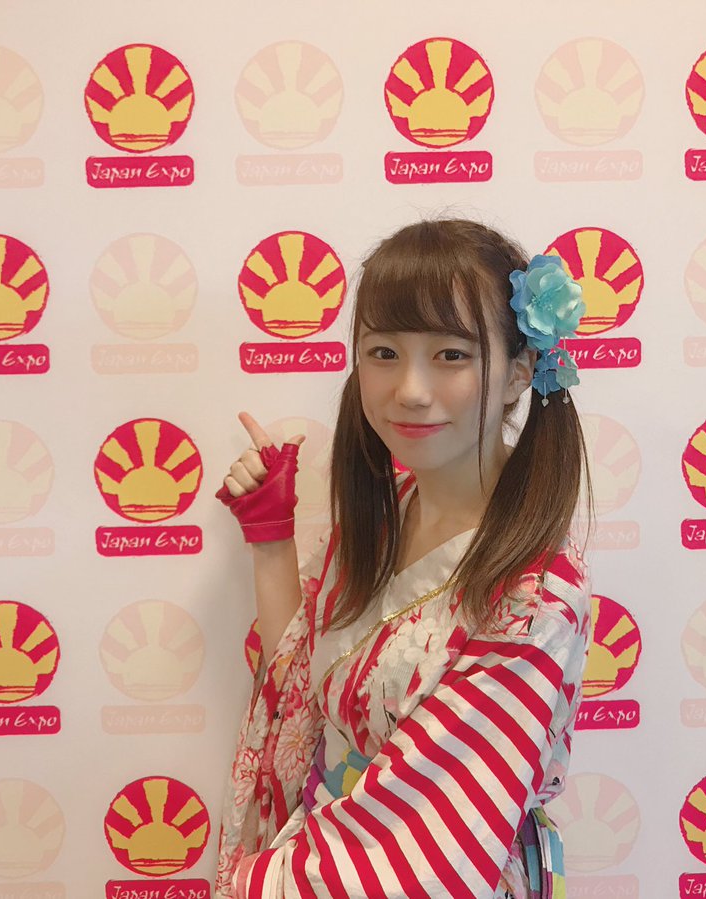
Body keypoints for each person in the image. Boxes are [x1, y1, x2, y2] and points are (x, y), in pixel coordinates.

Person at [214, 218, 593, 898]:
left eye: (451, 355)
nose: (411, 389)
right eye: (384, 352)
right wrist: (270, 537)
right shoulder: (390, 509)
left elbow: (420, 859)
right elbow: (301, 688)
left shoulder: (534, 595)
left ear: (518, 373)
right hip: (319, 848)